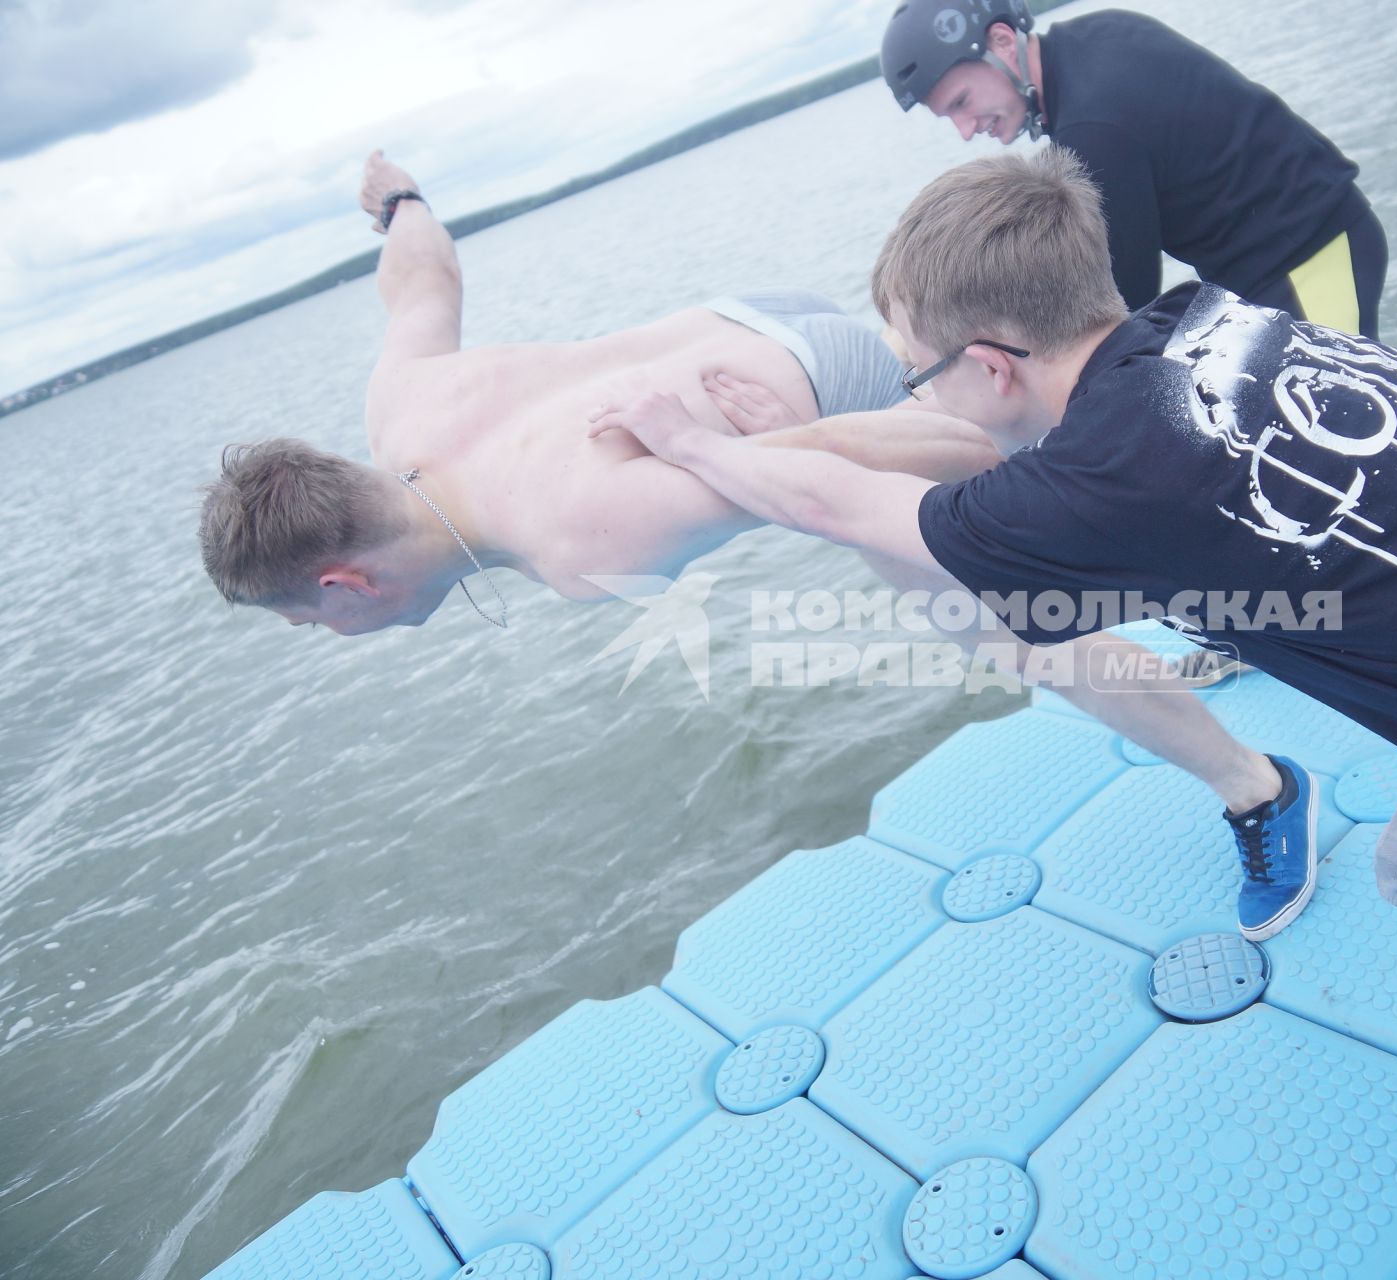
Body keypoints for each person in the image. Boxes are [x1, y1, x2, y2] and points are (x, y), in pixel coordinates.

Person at [594, 148, 1397, 1187]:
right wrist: (805, 431)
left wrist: (683, 437)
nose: (923, 397)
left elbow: (853, 512)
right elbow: (974, 460)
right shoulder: (1211, 335)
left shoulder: (1114, 474)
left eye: (921, 375)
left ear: (990, 364)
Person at [197, 151, 1302, 934]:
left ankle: (1254, 785)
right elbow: (420, 277)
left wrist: (831, 451)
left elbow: (915, 451)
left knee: (1007, 622)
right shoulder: (403, 408)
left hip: (822, 389)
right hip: (750, 318)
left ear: (344, 580)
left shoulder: (580, 538)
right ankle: (1188, 619)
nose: (321, 633)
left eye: (306, 617)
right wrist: (399, 199)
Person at [879, 0, 1386, 339]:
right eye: (951, 117)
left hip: (1312, 258)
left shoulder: (1093, 131)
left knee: (1338, 433)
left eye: (963, 101)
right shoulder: (1097, 33)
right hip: (1294, 250)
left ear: (1004, 43)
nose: (967, 129)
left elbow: (1120, 303)